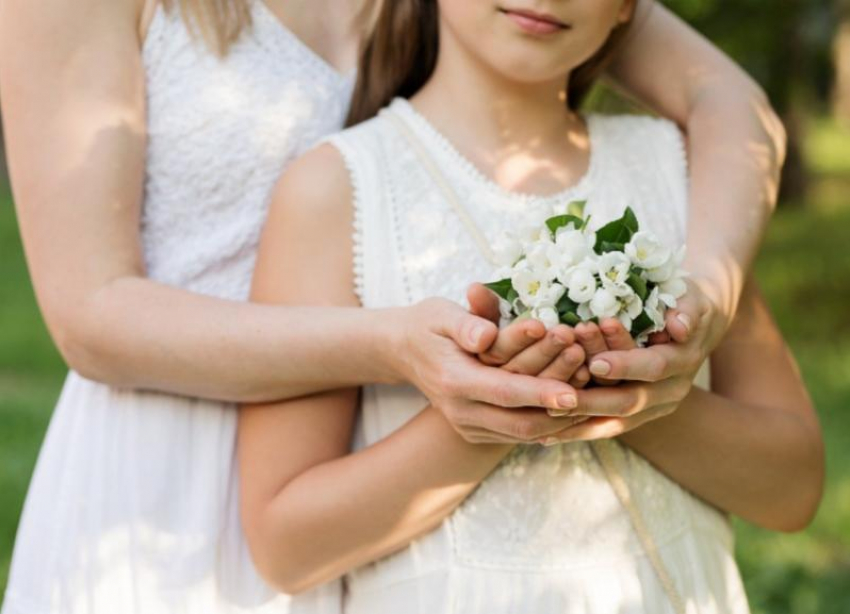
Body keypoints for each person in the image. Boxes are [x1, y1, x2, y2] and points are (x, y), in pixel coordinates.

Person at [0, 0, 786, 612]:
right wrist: (399, 350)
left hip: (375, 471)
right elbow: (89, 314)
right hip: (166, 477)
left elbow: (731, 104)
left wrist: (702, 303)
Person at [237, 0, 824, 612]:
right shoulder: (336, 189)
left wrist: (635, 388)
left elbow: (794, 487)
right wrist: (501, 406)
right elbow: (286, 547)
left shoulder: (685, 174)